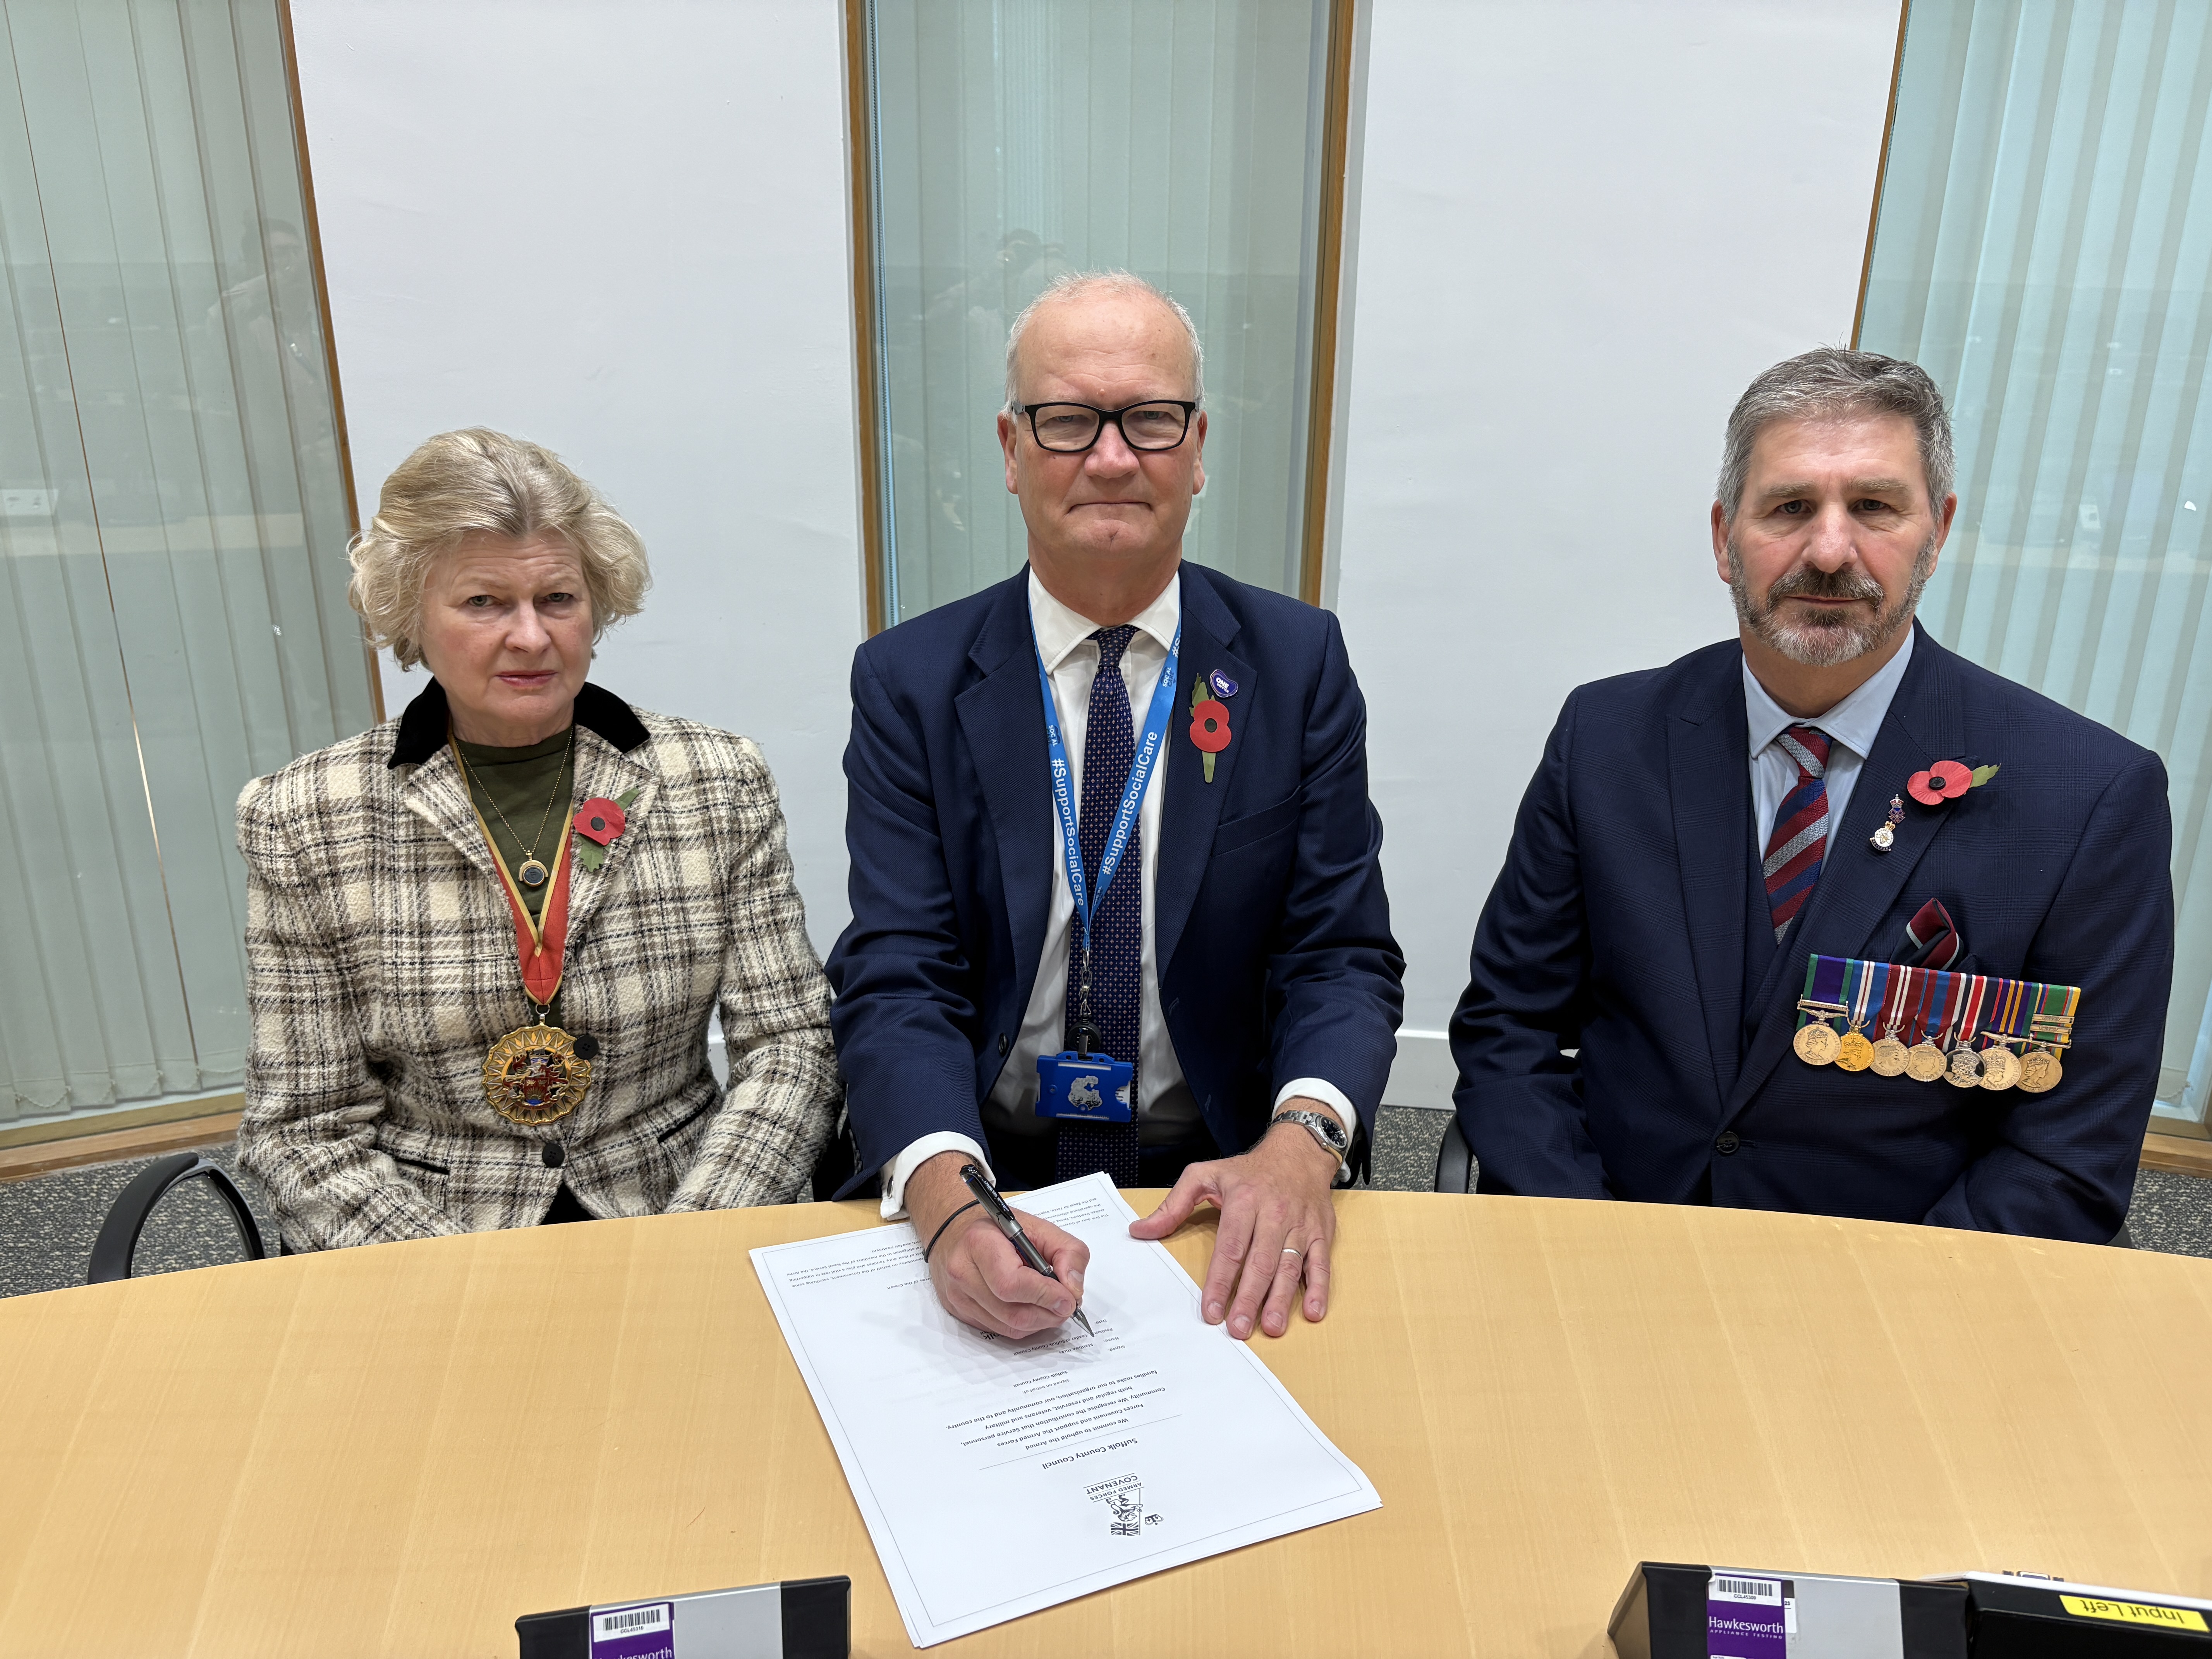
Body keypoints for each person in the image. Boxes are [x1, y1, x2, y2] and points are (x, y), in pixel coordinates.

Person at [1451, 348, 2174, 1243]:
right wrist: (1594, 1242)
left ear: (1938, 531)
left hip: (1899, 1300)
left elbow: (2069, 1151)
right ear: (1725, 539)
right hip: (1613, 1250)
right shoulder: (1605, 739)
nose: (1830, 551)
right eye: (1791, 508)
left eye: (1874, 507)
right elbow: (1508, 1031)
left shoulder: (2091, 798)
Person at [826, 272, 1403, 1343]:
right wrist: (949, 1201)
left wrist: (1300, 1142)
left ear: (1196, 447)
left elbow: (1340, 955)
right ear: (1010, 449)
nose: (1109, 456)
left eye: (1149, 419)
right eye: (1067, 420)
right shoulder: (908, 680)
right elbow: (900, 968)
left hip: (1222, 1165)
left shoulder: (1295, 663)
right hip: (986, 1156)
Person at [236, 428, 840, 1249]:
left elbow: (791, 1046)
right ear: (410, 613)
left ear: (598, 605)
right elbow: (304, 1126)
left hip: (678, 1207)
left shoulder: (717, 780)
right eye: (483, 602)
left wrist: (692, 1242)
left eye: (557, 598)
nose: (529, 636)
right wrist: (460, 1289)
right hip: (437, 1237)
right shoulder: (304, 817)